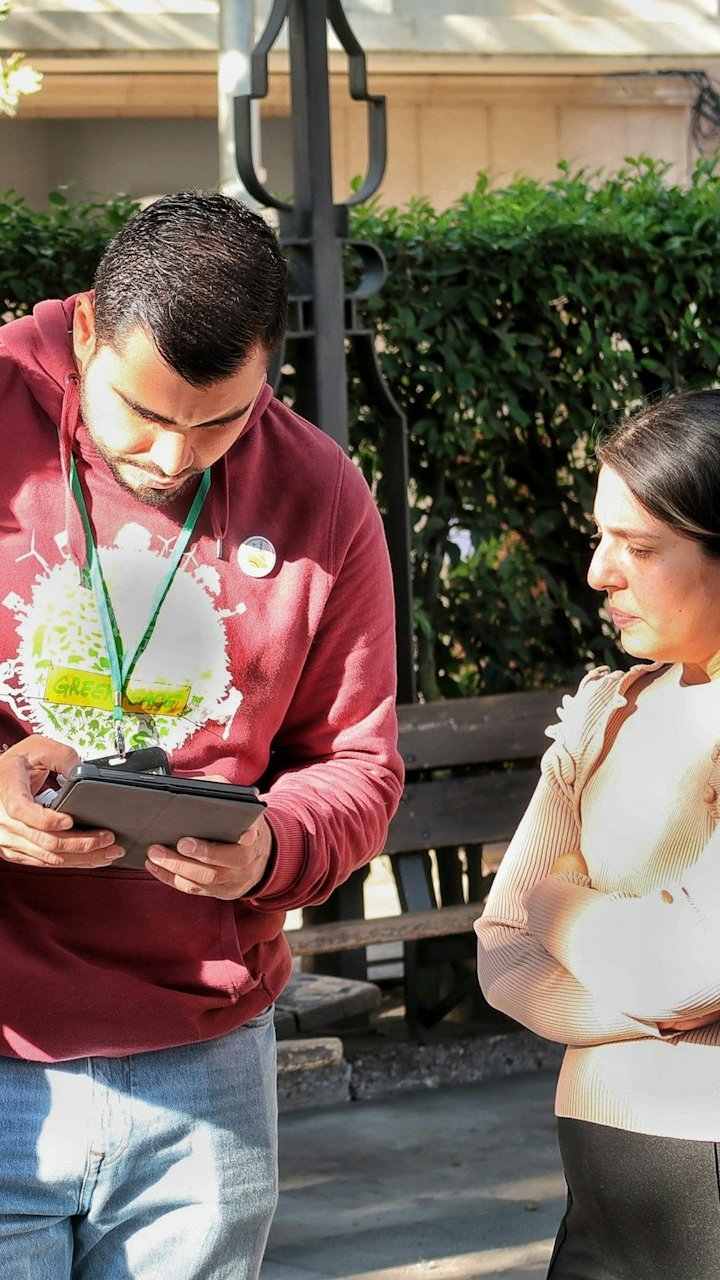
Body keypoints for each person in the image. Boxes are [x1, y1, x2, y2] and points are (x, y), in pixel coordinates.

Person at [0, 189, 403, 1279]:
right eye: (142, 410)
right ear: (86, 328)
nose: (175, 454)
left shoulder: (321, 488)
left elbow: (358, 761)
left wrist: (272, 846)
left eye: (219, 418)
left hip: (205, 1064)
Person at [476, 387, 720, 1280]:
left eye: (640, 547)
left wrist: (552, 893)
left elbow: (694, 964)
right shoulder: (605, 710)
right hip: (600, 1192)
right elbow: (499, 948)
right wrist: (667, 1011)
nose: (598, 574)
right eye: (600, 536)